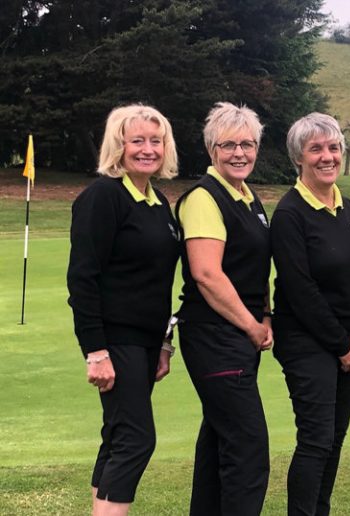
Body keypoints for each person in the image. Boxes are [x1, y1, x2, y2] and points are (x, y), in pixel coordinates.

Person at [67, 104, 180, 516]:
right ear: (119, 146)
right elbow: (82, 279)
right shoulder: (102, 197)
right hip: (116, 340)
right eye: (137, 141)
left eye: (156, 140)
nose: (148, 149)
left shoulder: (158, 203)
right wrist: (95, 351)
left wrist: (165, 344)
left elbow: (161, 283)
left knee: (118, 436)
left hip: (147, 343)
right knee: (136, 439)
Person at [270, 113, 350, 516]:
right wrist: (341, 344)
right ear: (299, 157)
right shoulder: (290, 213)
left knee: (334, 438)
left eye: (333, 148)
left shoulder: (346, 206)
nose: (327, 156)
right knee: (315, 439)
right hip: (306, 342)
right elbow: (300, 291)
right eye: (316, 149)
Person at [175, 102, 272, 515]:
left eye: (247, 144)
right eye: (228, 144)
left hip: (238, 336)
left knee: (217, 442)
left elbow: (255, 269)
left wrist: (265, 316)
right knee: (248, 451)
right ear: (211, 149)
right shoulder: (203, 198)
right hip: (215, 335)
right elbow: (207, 275)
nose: (239, 153)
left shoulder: (249, 198)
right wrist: (252, 325)